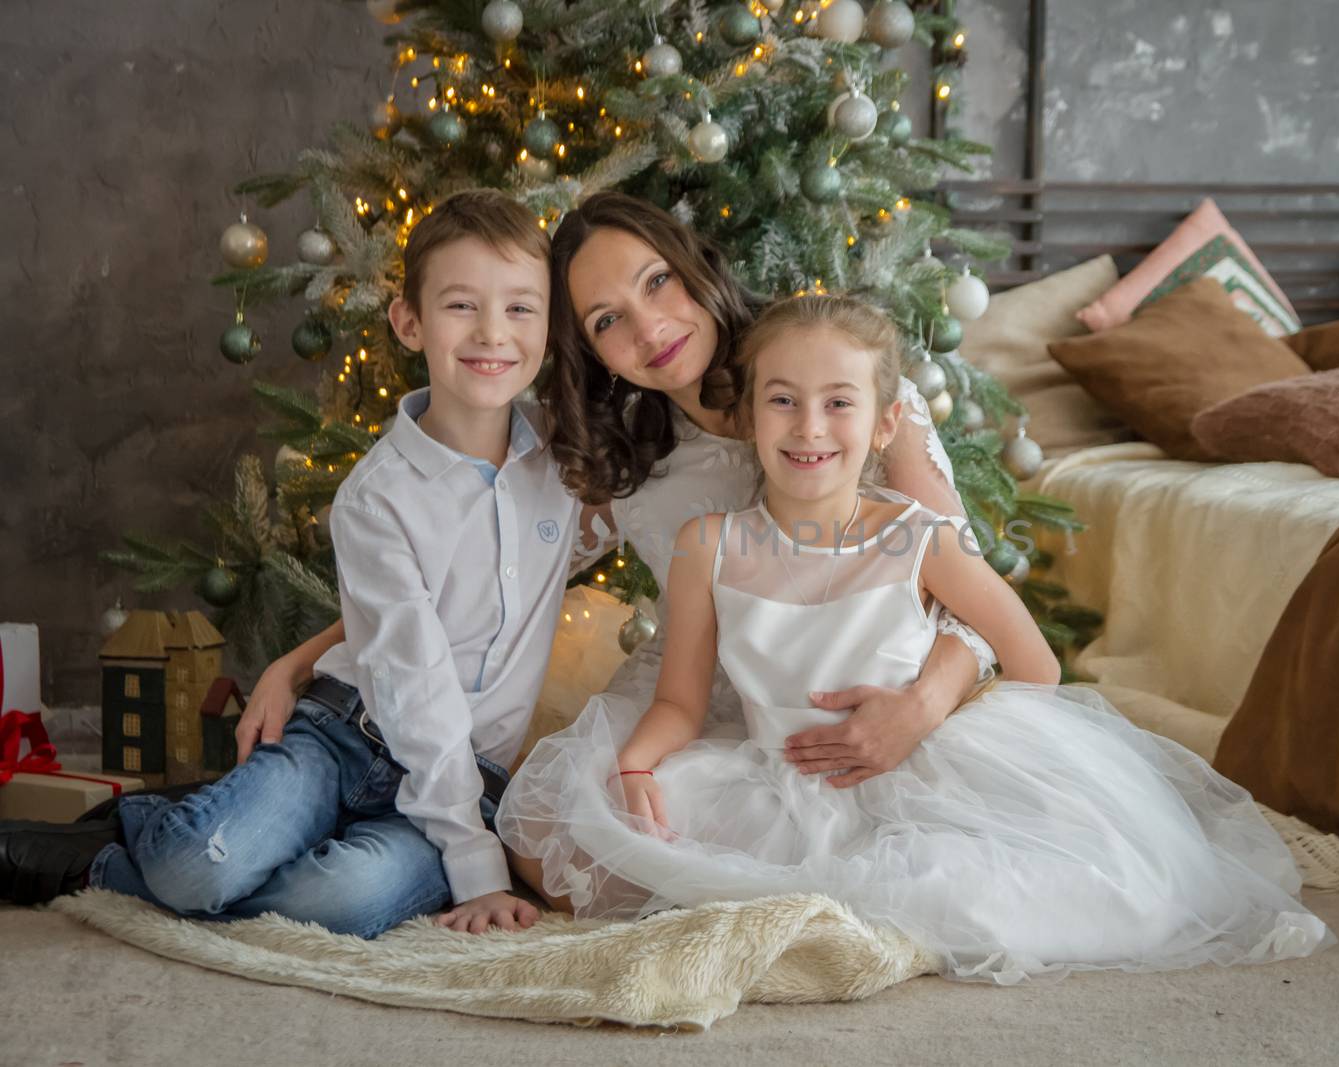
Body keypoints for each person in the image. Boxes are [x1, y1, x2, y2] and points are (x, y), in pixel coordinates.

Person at [496, 294, 1333, 984]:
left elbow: (1032, 661)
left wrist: (930, 712)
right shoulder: (709, 545)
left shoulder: (917, 535)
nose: (808, 426)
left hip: (919, 768)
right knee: (590, 836)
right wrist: (637, 763)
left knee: (1004, 894)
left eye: (837, 403)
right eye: (781, 399)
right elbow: (681, 698)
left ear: (886, 422)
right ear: (749, 415)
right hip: (774, 773)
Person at [241, 190, 997, 810]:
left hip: (875, 679)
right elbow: (463, 570)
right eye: (607, 320)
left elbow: (973, 601)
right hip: (706, 694)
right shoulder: (623, 463)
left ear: (694, 265)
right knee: (548, 831)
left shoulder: (832, 392)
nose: (648, 326)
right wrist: (298, 662)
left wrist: (922, 706)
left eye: (656, 280)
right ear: (588, 349)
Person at [0, 189, 573, 938]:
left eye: (522, 309)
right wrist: (474, 859)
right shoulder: (380, 495)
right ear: (409, 322)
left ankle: (115, 859)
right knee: (196, 864)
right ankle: (142, 833)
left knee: (352, 899)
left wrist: (468, 841)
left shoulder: (564, 467)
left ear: (551, 322)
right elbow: (411, 675)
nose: (493, 333)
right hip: (344, 735)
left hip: (467, 778)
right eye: (462, 305)